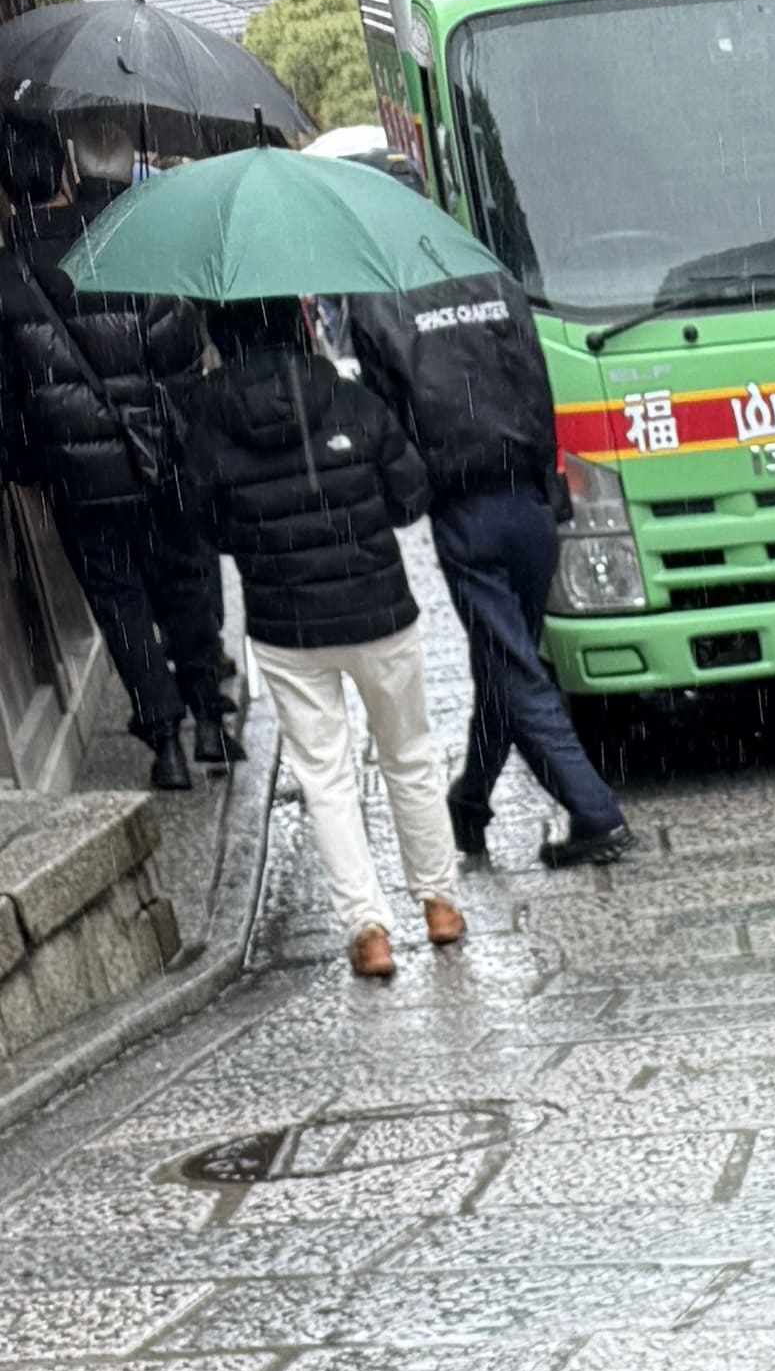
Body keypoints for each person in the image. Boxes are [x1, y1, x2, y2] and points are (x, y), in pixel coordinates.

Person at [182, 302, 463, 984]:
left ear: (222, 339)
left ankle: (367, 931)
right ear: (301, 328)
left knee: (325, 775)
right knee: (408, 755)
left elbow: (203, 523)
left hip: (286, 625)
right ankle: (439, 904)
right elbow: (410, 495)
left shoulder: (207, 421)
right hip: (378, 609)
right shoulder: (350, 399)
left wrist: (263, 542)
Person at [350, 258, 630, 876]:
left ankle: (596, 813)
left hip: (464, 507)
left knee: (514, 667)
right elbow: (535, 382)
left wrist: (403, 500)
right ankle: (472, 798)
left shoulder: (375, 303)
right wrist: (549, 486)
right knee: (507, 657)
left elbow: (385, 421)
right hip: (527, 499)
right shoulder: (494, 279)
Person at [0, 118, 235, 794]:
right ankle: (209, 720)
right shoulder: (126, 240)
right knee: (182, 582)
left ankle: (164, 743)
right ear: (65, 171)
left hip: (76, 479)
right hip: (159, 457)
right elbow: (180, 347)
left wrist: (32, 464)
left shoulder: (7, 272)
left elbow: (8, 398)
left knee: (119, 601)